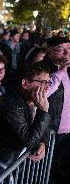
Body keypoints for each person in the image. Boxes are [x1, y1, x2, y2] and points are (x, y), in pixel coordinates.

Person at [0, 61, 51, 167]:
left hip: (10, 163)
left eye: (48, 82)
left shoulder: (34, 101)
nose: (47, 87)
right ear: (25, 84)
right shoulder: (11, 104)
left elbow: (43, 127)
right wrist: (43, 111)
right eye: (42, 82)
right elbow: (30, 142)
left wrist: (44, 142)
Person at [43, 37, 70, 184]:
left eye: (69, 49)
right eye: (61, 50)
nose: (66, 54)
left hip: (67, 133)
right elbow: (42, 95)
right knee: (51, 174)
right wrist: (61, 71)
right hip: (51, 133)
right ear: (49, 51)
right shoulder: (43, 69)